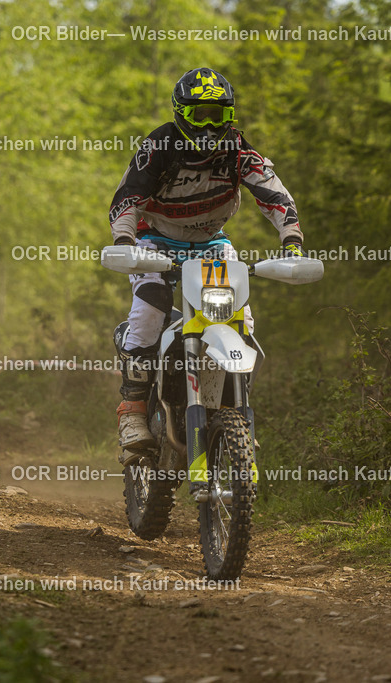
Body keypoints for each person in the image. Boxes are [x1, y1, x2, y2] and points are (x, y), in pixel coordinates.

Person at [109, 67, 305, 464]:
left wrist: (292, 242)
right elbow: (126, 199)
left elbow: (274, 194)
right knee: (148, 312)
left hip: (211, 244)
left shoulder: (236, 150)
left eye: (219, 114)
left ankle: (232, 414)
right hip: (156, 241)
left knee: (242, 322)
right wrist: (125, 243)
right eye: (201, 115)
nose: (210, 124)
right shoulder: (160, 146)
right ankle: (131, 412)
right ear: (182, 113)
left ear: (230, 116)